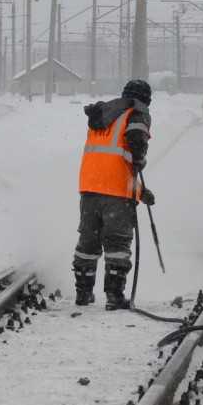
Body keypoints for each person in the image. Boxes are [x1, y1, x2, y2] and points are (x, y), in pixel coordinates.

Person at [73, 79, 155, 309]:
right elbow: (135, 142)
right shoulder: (137, 113)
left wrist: (140, 192)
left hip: (89, 188)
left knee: (88, 241)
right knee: (117, 244)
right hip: (116, 194)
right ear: (145, 99)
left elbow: (111, 162)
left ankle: (83, 293)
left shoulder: (103, 114)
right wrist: (140, 158)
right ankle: (114, 296)